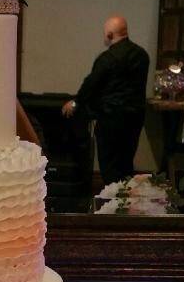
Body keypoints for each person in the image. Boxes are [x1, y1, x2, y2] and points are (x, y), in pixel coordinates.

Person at [62, 16, 150, 184]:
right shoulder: (142, 55)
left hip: (111, 118)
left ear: (110, 35)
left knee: (109, 165)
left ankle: (112, 202)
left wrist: (75, 102)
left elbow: (91, 84)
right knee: (126, 162)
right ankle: (125, 202)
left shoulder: (107, 59)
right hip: (135, 117)